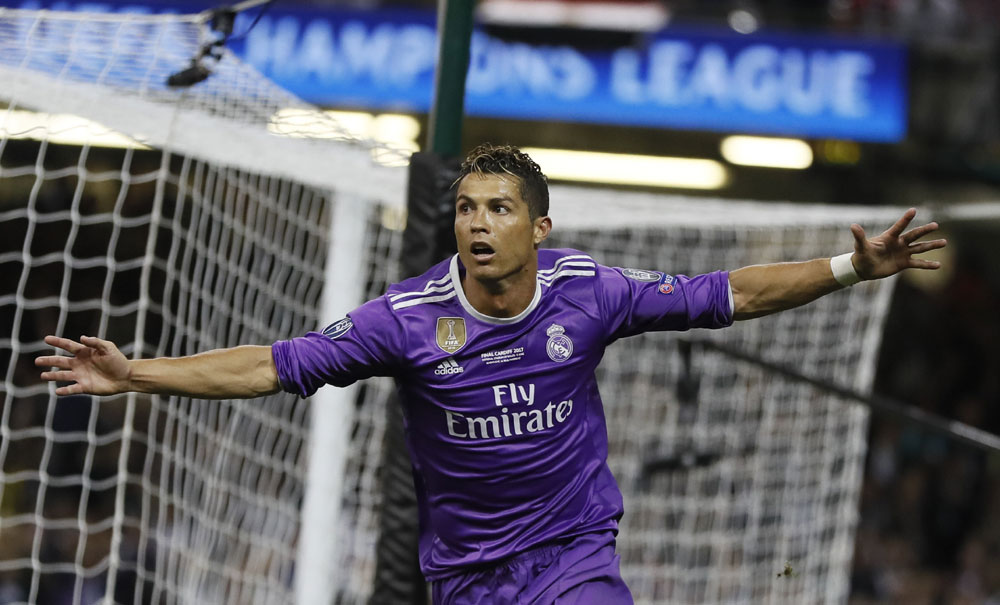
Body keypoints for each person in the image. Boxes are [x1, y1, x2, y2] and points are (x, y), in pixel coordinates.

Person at [36, 144, 947, 604]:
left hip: (572, 552)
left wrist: (848, 268)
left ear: (537, 228)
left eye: (500, 207)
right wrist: (139, 373)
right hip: (467, 575)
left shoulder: (591, 293)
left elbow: (728, 294)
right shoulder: (405, 319)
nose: (478, 221)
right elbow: (272, 365)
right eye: (467, 206)